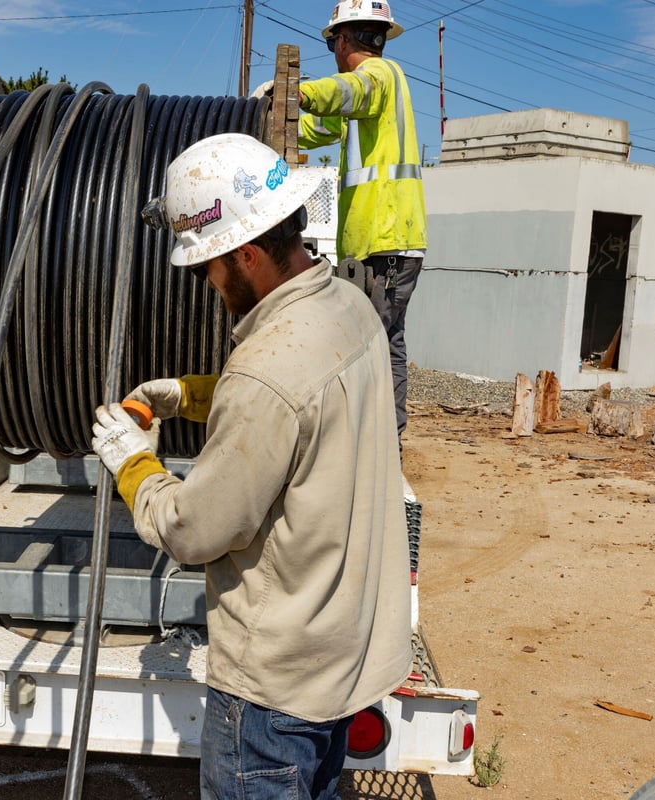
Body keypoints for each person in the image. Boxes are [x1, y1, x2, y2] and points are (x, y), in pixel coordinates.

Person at [90, 133, 410, 800]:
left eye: (207, 266)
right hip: (337, 666)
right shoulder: (353, 309)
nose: (207, 283)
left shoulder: (266, 372)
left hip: (270, 699)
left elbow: (192, 529)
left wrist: (132, 463)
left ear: (247, 254)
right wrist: (185, 394)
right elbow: (300, 414)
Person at [298, 0, 427, 441]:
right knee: (385, 344)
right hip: (384, 242)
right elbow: (320, 128)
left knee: (366, 347)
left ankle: (373, 449)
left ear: (345, 39)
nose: (333, 48)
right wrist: (268, 115)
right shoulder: (368, 97)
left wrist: (301, 91)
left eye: (333, 40)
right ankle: (386, 443)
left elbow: (348, 93)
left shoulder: (378, 78)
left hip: (384, 241)